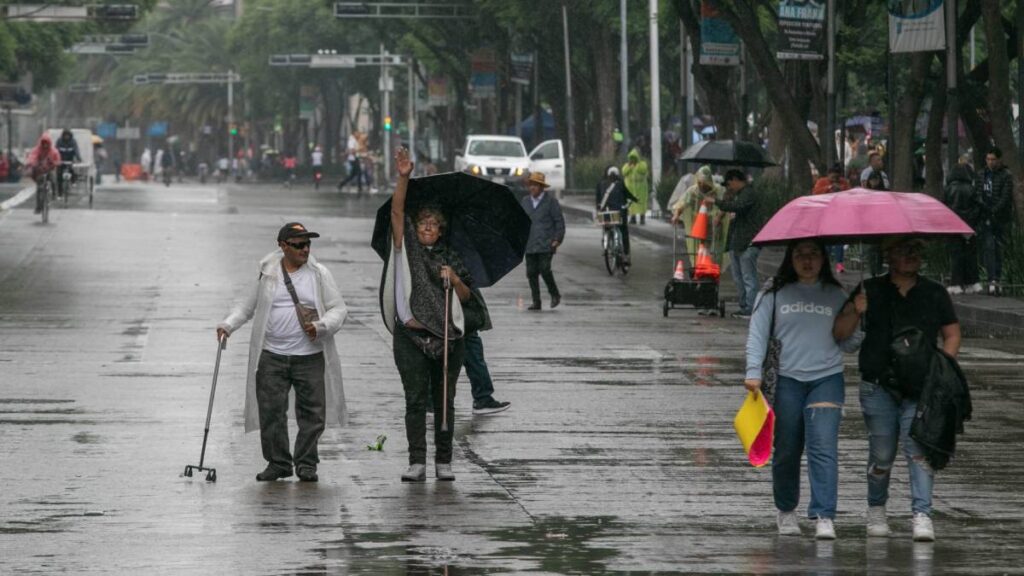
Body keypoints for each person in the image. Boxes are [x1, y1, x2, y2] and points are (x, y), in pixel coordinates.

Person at [833, 236, 961, 542]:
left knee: (919, 450)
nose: (910, 256)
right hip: (877, 386)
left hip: (921, 389)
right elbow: (839, 334)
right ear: (887, 255)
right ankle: (876, 508)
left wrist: (942, 368)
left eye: (916, 250)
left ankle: (922, 513)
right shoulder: (870, 289)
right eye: (903, 250)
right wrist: (855, 309)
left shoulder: (934, 292)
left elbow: (952, 334)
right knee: (883, 453)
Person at [745, 239, 861, 540]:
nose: (807, 261)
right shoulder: (772, 292)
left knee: (823, 448)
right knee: (786, 449)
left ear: (823, 258)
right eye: (800, 255)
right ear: (790, 258)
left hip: (827, 379)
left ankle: (824, 515)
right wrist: (752, 373)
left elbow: (848, 344)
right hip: (786, 381)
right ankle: (785, 511)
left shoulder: (837, 294)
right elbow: (757, 333)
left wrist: (858, 315)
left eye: (813, 254)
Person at [216, 222, 349, 482]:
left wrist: (322, 326)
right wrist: (228, 325)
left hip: (309, 356)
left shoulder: (319, 274)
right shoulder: (267, 274)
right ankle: (278, 463)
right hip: (272, 355)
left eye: (308, 244)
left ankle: (306, 463)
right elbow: (246, 306)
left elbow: (339, 309)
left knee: (312, 414)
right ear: (283, 246)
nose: (305, 249)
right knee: (271, 412)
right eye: (298, 244)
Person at [382, 146, 471, 482]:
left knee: (444, 400)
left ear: (441, 229)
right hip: (411, 334)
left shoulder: (452, 257)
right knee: (415, 399)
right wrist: (403, 178)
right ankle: (416, 459)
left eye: (433, 225)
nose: (427, 229)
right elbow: (396, 212)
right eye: (422, 224)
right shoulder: (408, 249)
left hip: (448, 336)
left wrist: (455, 279)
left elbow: (468, 298)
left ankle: (443, 460)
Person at [705, 169, 762, 319]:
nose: (729, 187)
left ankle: (751, 309)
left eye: (730, 184)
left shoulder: (749, 193)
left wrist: (716, 202)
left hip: (749, 242)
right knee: (738, 277)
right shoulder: (738, 195)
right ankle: (744, 307)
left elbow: (738, 207)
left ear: (736, 179)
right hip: (737, 242)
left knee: (748, 277)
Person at [462, 289, 512, 415]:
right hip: (458, 318)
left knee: (472, 355)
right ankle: (482, 398)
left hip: (457, 317)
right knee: (473, 356)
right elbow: (465, 295)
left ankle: (483, 398)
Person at [521, 172, 565, 311]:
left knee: (545, 269)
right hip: (530, 244)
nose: (532, 188)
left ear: (541, 187)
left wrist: (557, 239)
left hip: (546, 243)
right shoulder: (525, 202)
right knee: (531, 272)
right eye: (531, 185)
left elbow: (559, 222)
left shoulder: (551, 202)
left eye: (535, 185)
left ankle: (555, 295)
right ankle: (536, 301)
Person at [670, 165, 729, 266]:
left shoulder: (718, 191)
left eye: (704, 183)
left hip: (715, 227)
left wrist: (719, 216)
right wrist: (676, 215)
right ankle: (699, 270)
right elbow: (681, 204)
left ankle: (713, 272)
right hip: (699, 227)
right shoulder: (693, 191)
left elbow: (726, 204)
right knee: (699, 252)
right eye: (700, 182)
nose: (702, 185)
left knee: (714, 254)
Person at [976, 147, 1015, 295]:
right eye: (988, 159)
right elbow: (978, 193)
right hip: (986, 216)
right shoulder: (982, 174)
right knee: (989, 248)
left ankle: (998, 278)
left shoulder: (1005, 175)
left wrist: (993, 210)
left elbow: (1005, 198)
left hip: (1000, 217)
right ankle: (992, 279)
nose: (990, 162)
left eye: (993, 159)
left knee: (999, 248)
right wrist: (984, 209)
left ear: (999, 160)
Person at [944, 164, 983, 295]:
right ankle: (972, 282)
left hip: (953, 227)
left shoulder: (948, 189)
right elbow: (979, 206)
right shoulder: (971, 189)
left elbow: (944, 207)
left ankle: (956, 283)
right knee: (970, 255)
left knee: (956, 255)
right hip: (968, 227)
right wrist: (972, 221)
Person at [812, 164, 851, 273]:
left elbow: (850, 194)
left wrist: (841, 189)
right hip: (825, 214)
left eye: (837, 178)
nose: (835, 180)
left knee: (839, 240)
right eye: (833, 177)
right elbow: (815, 193)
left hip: (839, 214)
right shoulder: (822, 182)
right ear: (828, 175)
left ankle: (839, 263)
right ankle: (826, 263)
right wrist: (828, 188)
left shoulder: (844, 183)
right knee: (827, 241)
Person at [595, 165, 639, 263]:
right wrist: (636, 200)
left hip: (605, 214)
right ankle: (626, 255)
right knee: (624, 231)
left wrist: (599, 209)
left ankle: (605, 245)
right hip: (618, 214)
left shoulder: (601, 184)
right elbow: (628, 194)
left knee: (606, 228)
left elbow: (598, 199)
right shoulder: (620, 184)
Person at [25, 133, 61, 214]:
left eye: (46, 143)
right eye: (43, 143)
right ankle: (38, 207)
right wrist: (31, 164)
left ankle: (55, 194)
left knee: (53, 178)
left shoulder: (53, 151)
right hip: (40, 170)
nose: (45, 145)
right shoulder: (37, 150)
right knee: (39, 188)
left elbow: (57, 158)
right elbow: (32, 157)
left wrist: (55, 163)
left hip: (49, 169)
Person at [862, 170, 889, 277]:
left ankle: (878, 268)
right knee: (871, 248)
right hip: (870, 224)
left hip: (881, 223)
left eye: (876, 180)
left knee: (879, 247)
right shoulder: (866, 193)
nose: (874, 182)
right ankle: (873, 270)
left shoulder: (884, 192)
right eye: (872, 180)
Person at [622, 148, 649, 225]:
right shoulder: (628, 165)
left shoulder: (642, 164)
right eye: (631, 158)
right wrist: (629, 166)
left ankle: (642, 218)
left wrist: (636, 164)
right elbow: (624, 172)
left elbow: (643, 170)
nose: (633, 160)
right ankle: (632, 218)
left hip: (641, 189)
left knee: (641, 204)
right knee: (631, 205)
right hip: (630, 189)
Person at [55, 129, 81, 193]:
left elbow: (76, 150)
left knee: (71, 169)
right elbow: (55, 151)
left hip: (70, 158)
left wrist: (78, 158)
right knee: (59, 175)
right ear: (63, 136)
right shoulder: (59, 141)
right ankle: (60, 192)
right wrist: (55, 159)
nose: (67, 137)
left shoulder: (73, 141)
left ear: (70, 136)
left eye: (68, 135)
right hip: (61, 159)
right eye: (65, 135)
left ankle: (73, 180)